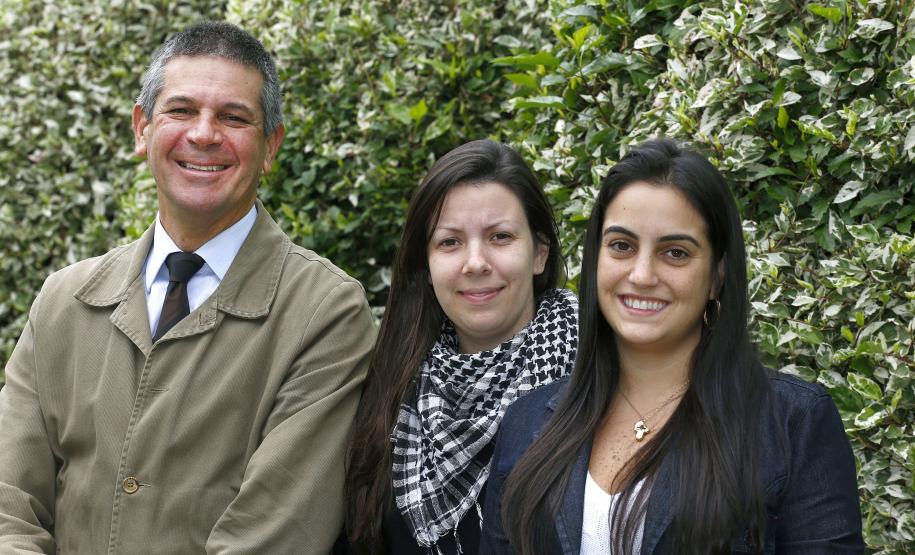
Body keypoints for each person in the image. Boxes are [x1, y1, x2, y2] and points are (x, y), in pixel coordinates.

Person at [0, 21, 376, 553]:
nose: (203, 134)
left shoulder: (325, 313)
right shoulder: (63, 303)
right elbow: (9, 505)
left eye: (233, 117)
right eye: (180, 110)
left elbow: (275, 534)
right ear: (142, 129)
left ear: (270, 145)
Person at [480, 138, 864, 554]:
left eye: (676, 253)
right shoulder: (527, 423)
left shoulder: (793, 423)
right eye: (622, 246)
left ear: (717, 276)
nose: (642, 275)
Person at [341, 140, 579, 554]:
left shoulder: (593, 378)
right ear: (427, 264)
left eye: (500, 237)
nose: (475, 262)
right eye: (450, 242)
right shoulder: (392, 385)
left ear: (539, 253)